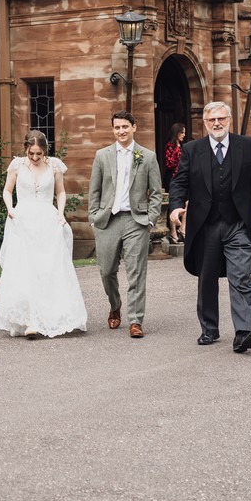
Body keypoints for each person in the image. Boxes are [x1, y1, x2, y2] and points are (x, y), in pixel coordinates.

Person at [168, 101, 251, 352]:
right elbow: (179, 182)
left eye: (221, 119)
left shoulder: (245, 145)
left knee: (241, 276)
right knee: (207, 278)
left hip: (237, 223)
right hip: (205, 225)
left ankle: (243, 332)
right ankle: (209, 328)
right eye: (211, 120)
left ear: (229, 119)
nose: (216, 123)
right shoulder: (192, 150)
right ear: (205, 123)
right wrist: (175, 206)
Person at [0, 130, 88, 338]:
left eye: (39, 153)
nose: (35, 158)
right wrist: (10, 208)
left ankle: (49, 315)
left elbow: (60, 192)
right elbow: (7, 190)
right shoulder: (16, 165)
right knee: (25, 268)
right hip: (22, 219)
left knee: (48, 268)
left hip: (47, 219)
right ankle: (29, 320)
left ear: (45, 150)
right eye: (31, 153)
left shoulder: (54, 165)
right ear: (26, 149)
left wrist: (61, 214)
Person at [87, 110, 164, 339]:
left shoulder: (147, 157)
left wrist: (150, 218)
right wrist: (93, 216)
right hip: (107, 220)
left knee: (136, 272)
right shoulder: (102, 155)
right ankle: (115, 304)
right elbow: (94, 190)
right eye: (117, 127)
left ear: (134, 127)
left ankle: (135, 320)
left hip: (135, 220)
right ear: (113, 130)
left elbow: (156, 193)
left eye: (125, 127)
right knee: (106, 270)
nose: (121, 131)